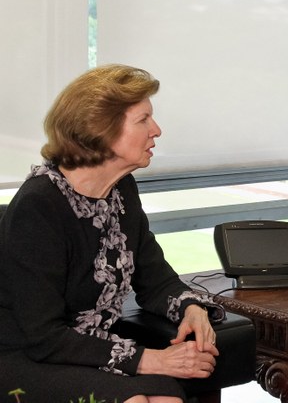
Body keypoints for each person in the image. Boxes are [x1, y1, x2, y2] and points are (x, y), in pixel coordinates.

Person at [0, 65, 225, 403]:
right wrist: (153, 359)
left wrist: (193, 309)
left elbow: (156, 281)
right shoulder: (39, 206)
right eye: (143, 120)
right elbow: (44, 337)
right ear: (101, 129)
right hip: (24, 358)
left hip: (91, 350)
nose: (157, 130)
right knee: (134, 401)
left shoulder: (122, 191)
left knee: (168, 399)